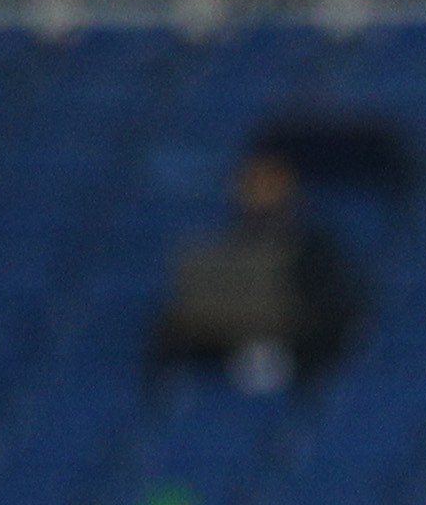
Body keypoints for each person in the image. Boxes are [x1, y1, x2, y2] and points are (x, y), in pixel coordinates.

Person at [152, 151, 364, 392]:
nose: (260, 201)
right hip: (225, 361)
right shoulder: (225, 252)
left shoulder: (316, 252)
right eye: (253, 191)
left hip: (302, 359)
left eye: (270, 191)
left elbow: (332, 321)